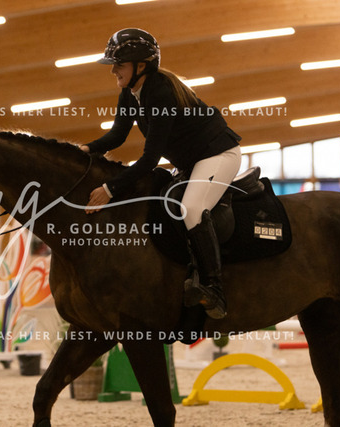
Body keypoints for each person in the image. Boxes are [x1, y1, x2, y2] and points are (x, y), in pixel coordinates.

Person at [81, 28, 242, 319]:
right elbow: (117, 136)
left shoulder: (160, 93)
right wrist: (85, 149)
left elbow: (150, 159)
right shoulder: (130, 93)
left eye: (119, 64)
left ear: (141, 65)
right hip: (192, 162)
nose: (113, 71)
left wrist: (110, 189)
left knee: (192, 208)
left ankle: (214, 288)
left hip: (218, 155)